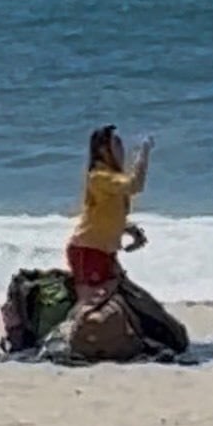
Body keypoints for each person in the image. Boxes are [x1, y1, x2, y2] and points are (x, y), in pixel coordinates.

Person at [67, 125, 152, 299]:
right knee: (94, 308)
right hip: (88, 251)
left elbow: (106, 215)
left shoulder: (111, 177)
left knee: (131, 299)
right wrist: (143, 154)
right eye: (117, 143)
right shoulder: (99, 176)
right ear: (103, 150)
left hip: (106, 252)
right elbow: (135, 185)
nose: (122, 149)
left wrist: (131, 230)